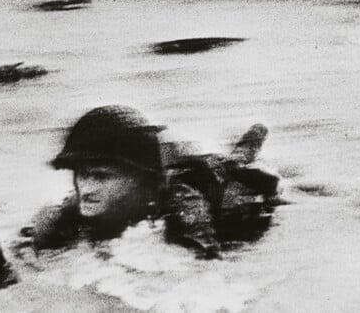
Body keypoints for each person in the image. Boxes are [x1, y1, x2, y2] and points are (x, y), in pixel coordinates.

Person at [20, 105, 281, 259]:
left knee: (238, 169)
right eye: (82, 174)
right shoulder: (77, 205)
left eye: (101, 176)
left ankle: (249, 145)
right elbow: (29, 250)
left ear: (143, 180)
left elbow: (201, 271)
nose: (86, 188)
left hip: (228, 197)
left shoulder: (184, 204)